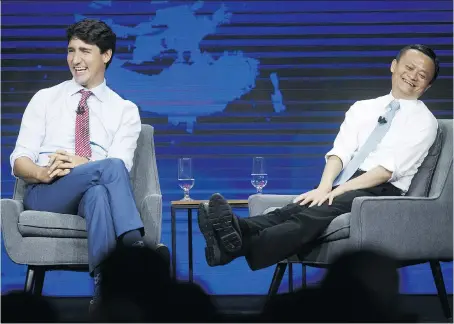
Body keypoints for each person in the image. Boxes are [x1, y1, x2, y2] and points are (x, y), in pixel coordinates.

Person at [197, 44, 439, 271]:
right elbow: (340, 152)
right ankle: (232, 243)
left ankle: (239, 241)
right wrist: (325, 186)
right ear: (394, 66)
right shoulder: (363, 107)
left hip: (382, 191)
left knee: (315, 213)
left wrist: (338, 191)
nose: (413, 76)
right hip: (346, 180)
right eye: (409, 68)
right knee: (293, 209)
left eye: (422, 75)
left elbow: (386, 171)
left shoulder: (424, 122)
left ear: (427, 86)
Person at [10, 19, 144, 309]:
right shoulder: (45, 99)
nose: (75, 60)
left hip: (94, 188)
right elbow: (19, 160)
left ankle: (103, 293)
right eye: (71, 50)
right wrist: (42, 173)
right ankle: (135, 246)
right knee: (107, 169)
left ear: (105, 55)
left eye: (85, 51)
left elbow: (121, 165)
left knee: (99, 191)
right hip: (49, 191)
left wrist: (84, 164)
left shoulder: (124, 110)